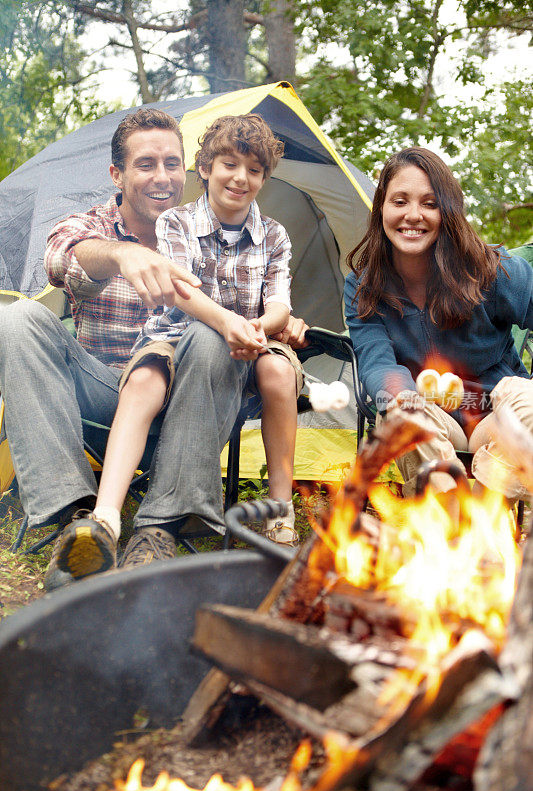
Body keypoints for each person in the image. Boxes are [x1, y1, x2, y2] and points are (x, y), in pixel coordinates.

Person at [0, 107, 305, 592]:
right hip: (108, 393)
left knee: (206, 334)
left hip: (199, 404)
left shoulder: (208, 230)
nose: (162, 177)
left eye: (170, 163)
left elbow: (259, 298)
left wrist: (276, 321)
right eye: (145, 164)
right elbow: (62, 256)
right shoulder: (95, 224)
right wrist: (122, 253)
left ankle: (160, 528)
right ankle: (79, 522)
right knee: (15, 320)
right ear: (117, 174)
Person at [73, 113, 303, 559]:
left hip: (251, 346)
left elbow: (279, 302)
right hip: (175, 337)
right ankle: (105, 516)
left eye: (255, 171)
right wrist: (226, 322)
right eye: (229, 165)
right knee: (142, 382)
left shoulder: (273, 234)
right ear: (205, 168)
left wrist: (260, 326)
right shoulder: (175, 222)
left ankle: (280, 510)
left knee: (278, 371)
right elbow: (180, 293)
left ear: (265, 178)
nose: (241, 179)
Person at [344, 146, 533, 501]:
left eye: (430, 204)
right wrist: (400, 395)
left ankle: (485, 504)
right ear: (381, 207)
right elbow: (377, 361)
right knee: (401, 418)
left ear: (448, 211)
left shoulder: (492, 270)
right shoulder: (364, 285)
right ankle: (452, 520)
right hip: (429, 415)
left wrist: (523, 386)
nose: (413, 215)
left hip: (497, 416)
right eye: (399, 201)